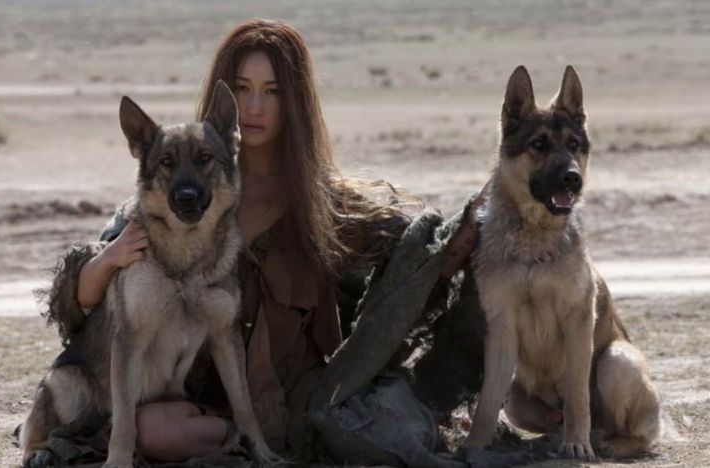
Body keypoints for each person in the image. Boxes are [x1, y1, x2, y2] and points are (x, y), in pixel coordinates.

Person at [72, 18, 482, 462]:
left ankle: (273, 441)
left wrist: (458, 243)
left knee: (382, 430)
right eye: (242, 89)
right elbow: (86, 302)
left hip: (300, 398)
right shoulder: (175, 196)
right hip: (203, 402)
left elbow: (409, 272)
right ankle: (245, 442)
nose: (254, 107)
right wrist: (108, 259)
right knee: (155, 432)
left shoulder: (328, 204)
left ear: (295, 101)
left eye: (272, 91)